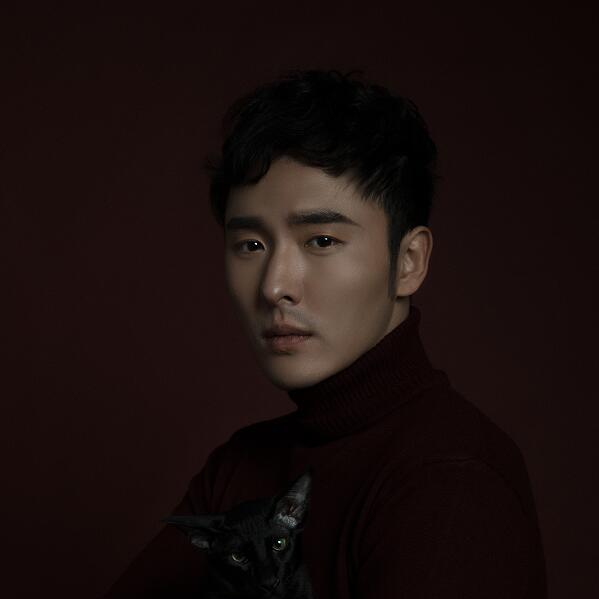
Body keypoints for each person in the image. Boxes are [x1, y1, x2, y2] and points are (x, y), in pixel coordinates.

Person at [103, 69, 547, 598]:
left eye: (321, 240)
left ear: (408, 261)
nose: (274, 286)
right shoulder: (239, 469)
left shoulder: (451, 480)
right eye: (250, 245)